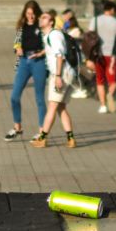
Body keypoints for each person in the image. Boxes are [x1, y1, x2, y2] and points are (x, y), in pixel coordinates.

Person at [32, 9, 76, 148]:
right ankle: (70, 139)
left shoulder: (54, 35)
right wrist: (40, 54)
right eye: (40, 17)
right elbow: (53, 50)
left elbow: (59, 56)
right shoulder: (50, 35)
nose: (41, 19)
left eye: (44, 18)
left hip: (61, 74)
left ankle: (43, 138)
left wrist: (57, 76)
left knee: (52, 106)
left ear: (51, 22)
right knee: (60, 107)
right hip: (64, 73)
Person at [4, 0, 47, 141]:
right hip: (23, 62)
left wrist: (40, 53)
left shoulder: (41, 26)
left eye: (33, 14)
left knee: (39, 99)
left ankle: (42, 132)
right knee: (14, 96)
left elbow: (49, 45)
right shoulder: (21, 26)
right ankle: (18, 127)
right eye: (28, 13)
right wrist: (18, 48)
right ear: (24, 13)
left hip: (38, 62)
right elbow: (16, 43)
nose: (30, 16)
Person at [92, 0, 116, 115]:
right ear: (112, 10)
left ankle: (103, 105)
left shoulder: (95, 21)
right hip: (112, 54)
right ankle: (110, 94)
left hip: (98, 54)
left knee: (99, 80)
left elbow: (89, 36)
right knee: (113, 80)